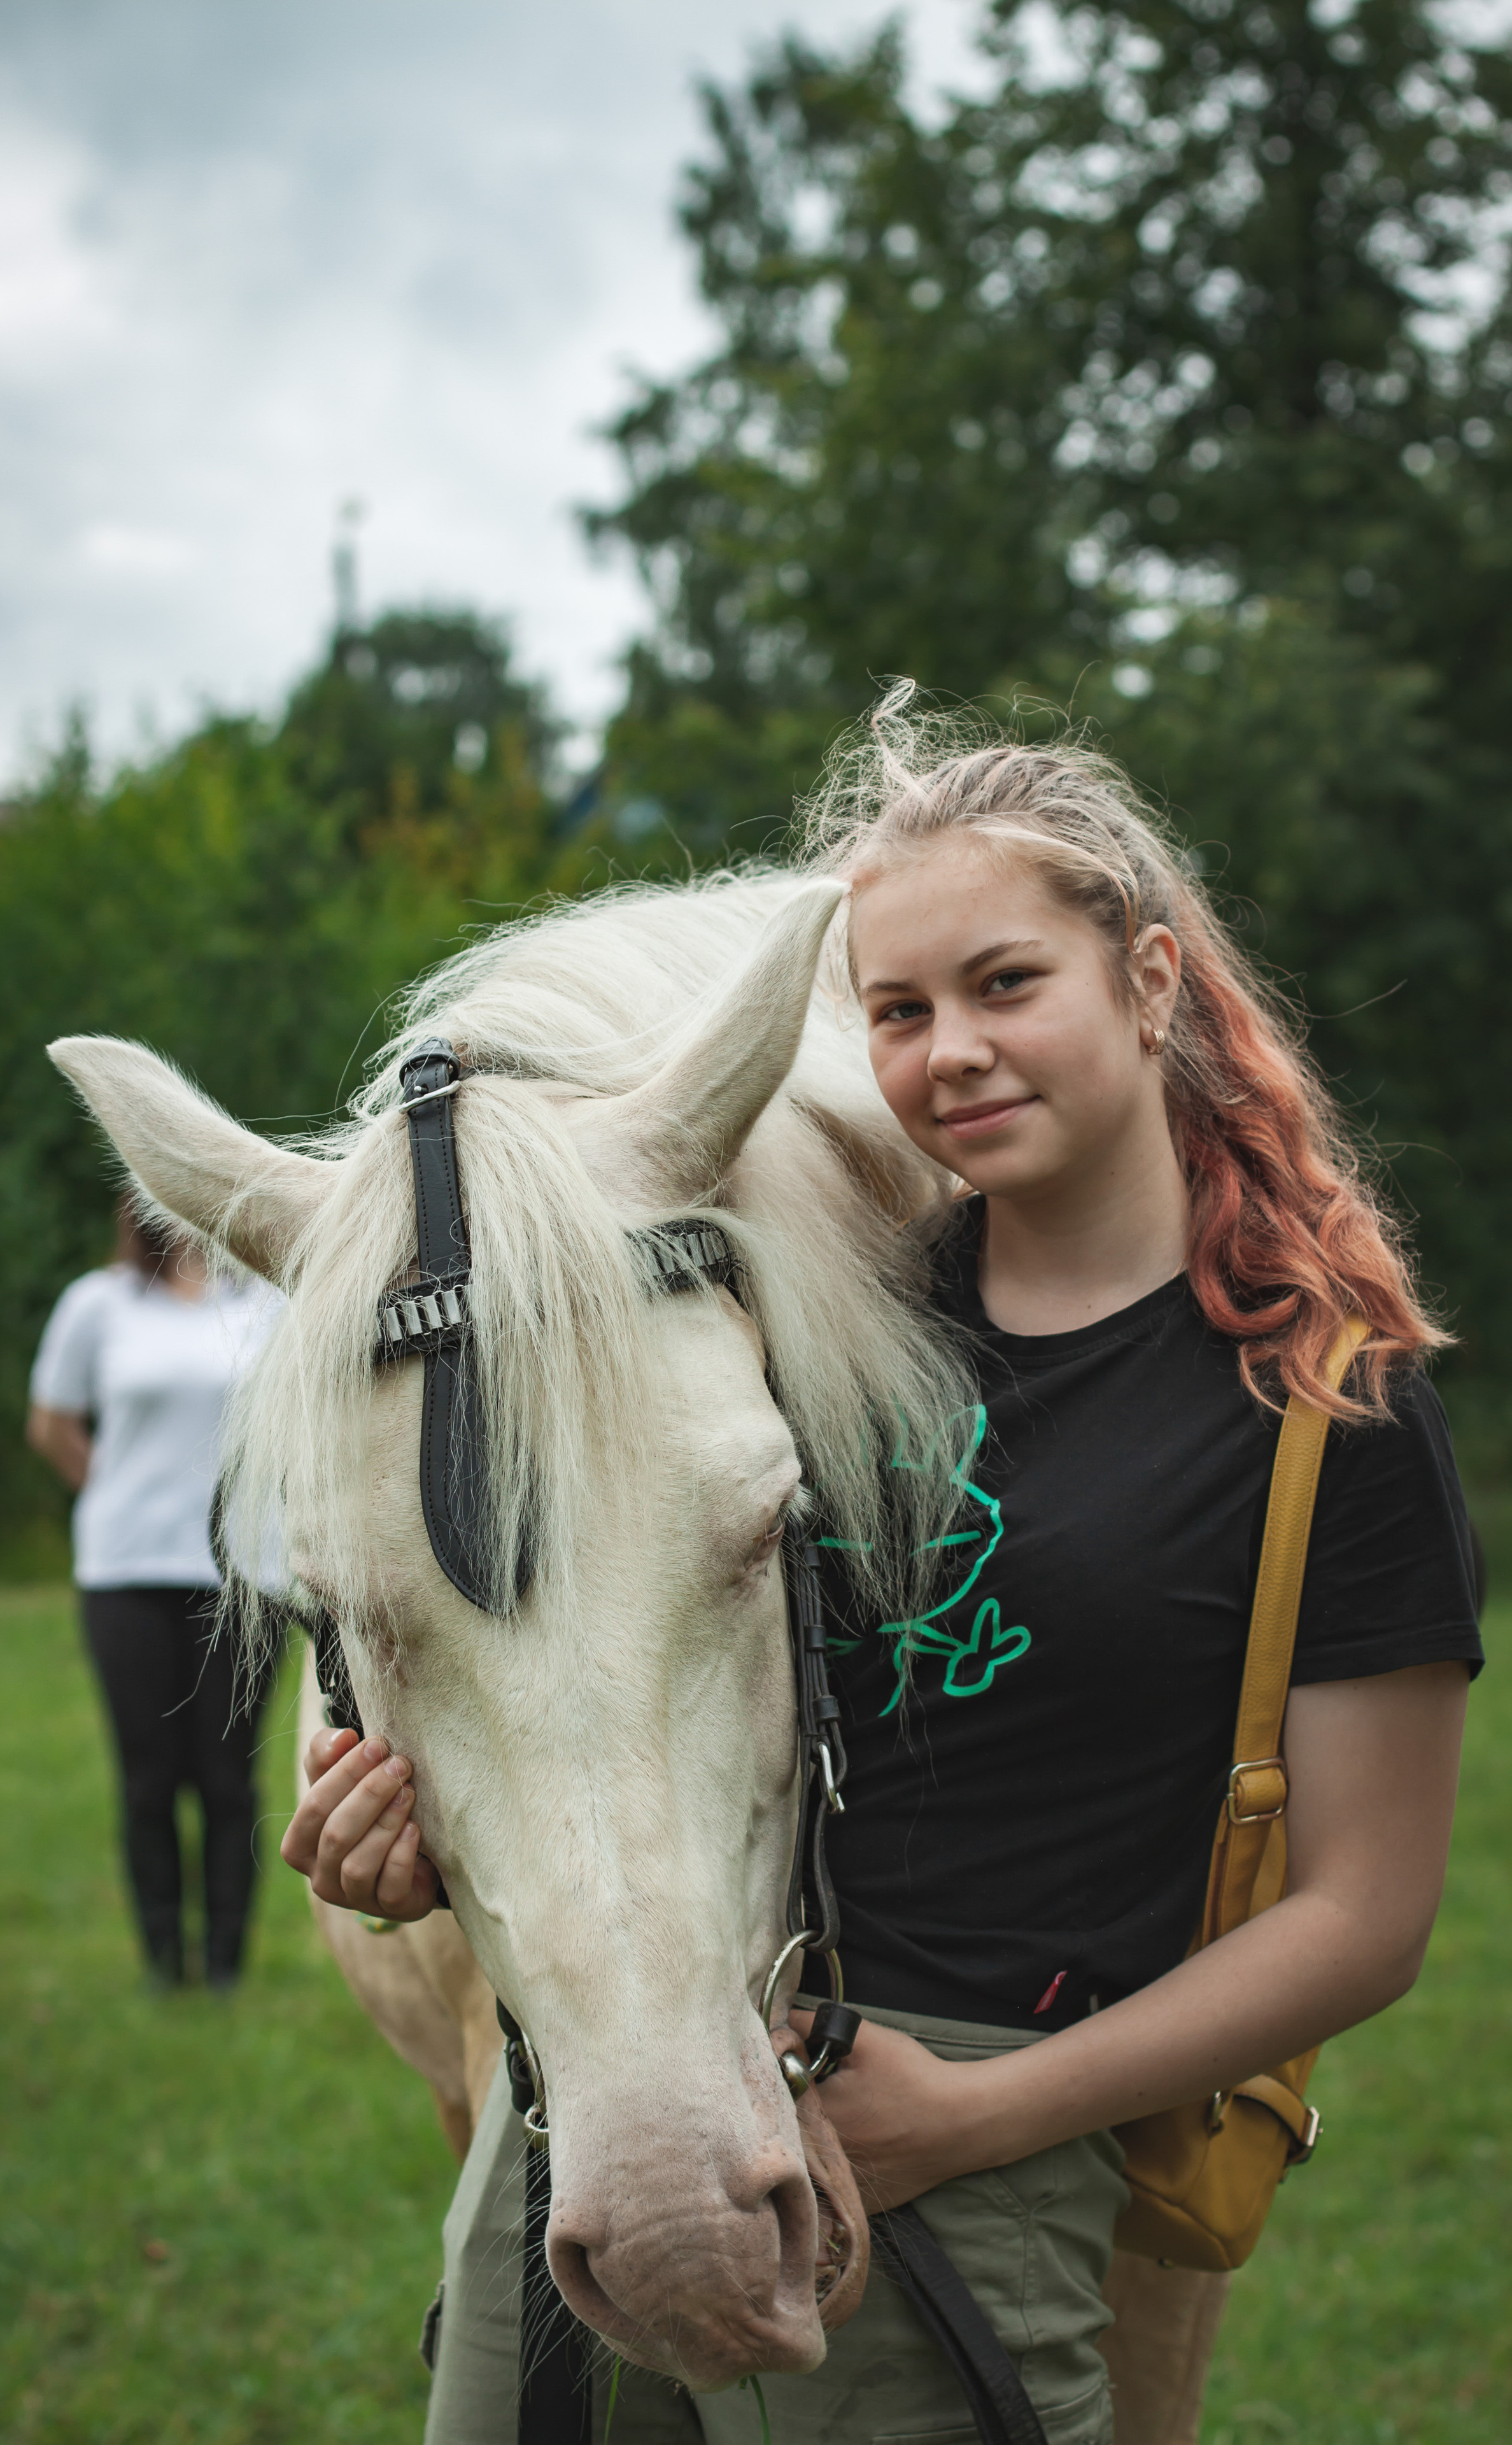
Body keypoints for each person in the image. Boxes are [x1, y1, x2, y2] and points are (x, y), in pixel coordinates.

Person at [282, 699, 1482, 2442]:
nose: (951, 1054)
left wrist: (981, 2118)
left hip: (984, 2133)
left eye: (1008, 985)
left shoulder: (1322, 1404)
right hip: (647, 2087)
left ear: (1149, 981)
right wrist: (413, 1825)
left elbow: (1366, 1922)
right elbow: (611, 1661)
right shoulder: (803, 1323)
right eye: (898, 1010)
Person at [29, 1193, 276, 1990]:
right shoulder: (97, 1306)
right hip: (128, 1572)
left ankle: (228, 1967)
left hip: (244, 1576)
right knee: (148, 1779)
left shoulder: (266, 1305)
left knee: (229, 1779)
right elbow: (52, 1422)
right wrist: (109, 1491)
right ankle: (165, 1965)